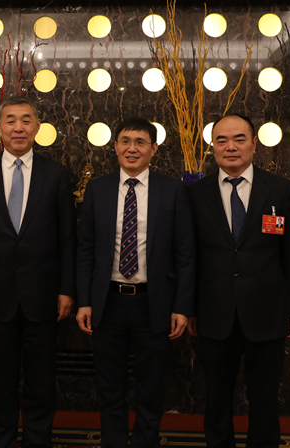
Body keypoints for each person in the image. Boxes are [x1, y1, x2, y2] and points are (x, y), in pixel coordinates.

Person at [0, 96, 76, 448]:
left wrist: (67, 289)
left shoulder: (56, 174)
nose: (18, 127)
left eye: (26, 120)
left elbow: (68, 238)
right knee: (1, 379)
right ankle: (3, 440)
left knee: (41, 379)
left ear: (37, 127)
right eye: (10, 120)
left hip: (44, 295)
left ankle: (39, 441)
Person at [76, 117, 196, 448]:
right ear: (115, 146)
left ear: (154, 149)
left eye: (140, 142)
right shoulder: (97, 189)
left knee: (150, 386)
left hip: (154, 302)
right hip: (108, 302)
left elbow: (185, 253)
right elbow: (85, 249)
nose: (132, 149)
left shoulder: (172, 190)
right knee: (109, 386)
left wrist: (182, 306)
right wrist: (84, 300)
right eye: (125, 141)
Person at [187, 114, 290, 448]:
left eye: (239, 139)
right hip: (213, 312)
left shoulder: (279, 189)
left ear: (254, 143)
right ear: (212, 147)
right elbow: (188, 256)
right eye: (221, 140)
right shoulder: (195, 194)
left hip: (267, 312)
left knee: (265, 398)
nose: (231, 147)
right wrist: (189, 307)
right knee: (216, 398)